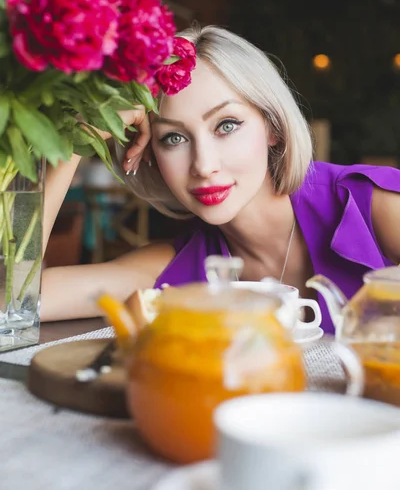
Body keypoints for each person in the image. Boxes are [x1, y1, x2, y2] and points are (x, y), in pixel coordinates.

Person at [41, 25, 400, 333]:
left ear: (273, 127)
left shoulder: (372, 206)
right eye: (174, 138)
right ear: (151, 152)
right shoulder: (175, 267)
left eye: (226, 126)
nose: (204, 165)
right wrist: (78, 140)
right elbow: (15, 302)